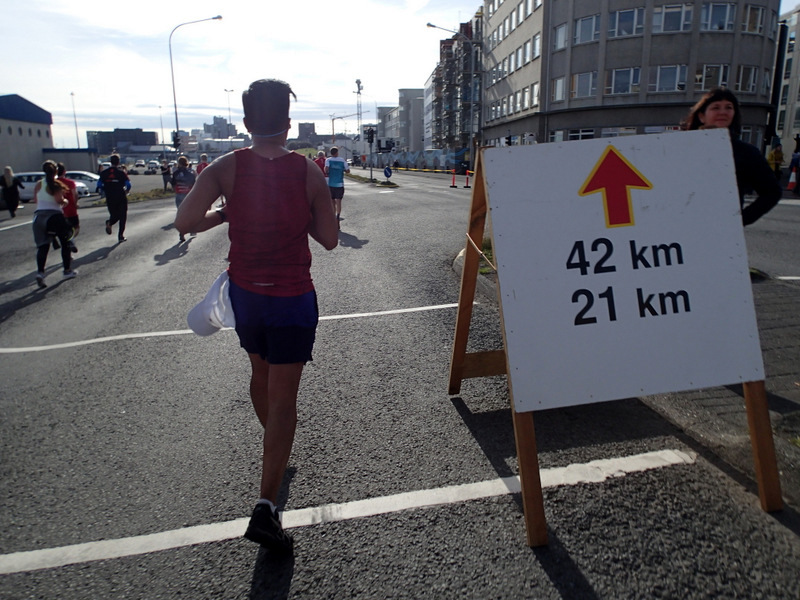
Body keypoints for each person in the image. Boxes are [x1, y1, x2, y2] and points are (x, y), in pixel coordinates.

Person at [175, 78, 338, 555]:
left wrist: (226, 216)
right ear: (288, 124)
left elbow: (185, 223)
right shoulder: (308, 173)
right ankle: (266, 504)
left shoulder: (225, 167)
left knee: (259, 372)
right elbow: (328, 239)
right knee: (284, 397)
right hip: (292, 297)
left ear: (247, 123)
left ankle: (274, 455)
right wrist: (302, 211)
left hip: (247, 294)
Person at [682, 88, 781, 226]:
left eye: (729, 107)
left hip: (721, 233)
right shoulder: (680, 148)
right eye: (715, 107)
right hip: (679, 226)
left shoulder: (746, 152)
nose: (723, 112)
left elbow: (772, 192)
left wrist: (739, 221)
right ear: (701, 116)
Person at [31, 160, 77, 287]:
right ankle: (67, 270)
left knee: (43, 247)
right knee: (66, 241)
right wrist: (65, 201)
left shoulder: (39, 184)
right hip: (54, 216)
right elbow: (59, 200)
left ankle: (40, 273)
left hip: (39, 217)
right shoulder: (56, 185)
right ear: (56, 171)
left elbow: (36, 199)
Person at [99, 154, 132, 242]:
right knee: (122, 216)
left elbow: (99, 185)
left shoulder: (104, 173)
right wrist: (127, 190)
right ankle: (120, 235)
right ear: (118, 162)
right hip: (120, 196)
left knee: (114, 214)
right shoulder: (121, 173)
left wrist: (105, 189)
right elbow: (128, 184)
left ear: (110, 161)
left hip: (110, 197)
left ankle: (109, 222)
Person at [172, 156, 197, 242]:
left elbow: (173, 184)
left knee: (180, 213)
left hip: (179, 194)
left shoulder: (176, 173)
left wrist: (177, 190)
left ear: (179, 163)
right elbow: (194, 185)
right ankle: (192, 229)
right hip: (188, 195)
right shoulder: (190, 173)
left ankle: (181, 233)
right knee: (190, 213)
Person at [324, 146, 349, 227]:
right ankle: (338, 216)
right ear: (337, 153)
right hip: (340, 184)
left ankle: (334, 217)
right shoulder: (342, 160)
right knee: (339, 201)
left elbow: (326, 170)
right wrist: (343, 170)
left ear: (331, 153)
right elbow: (348, 171)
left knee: (332, 202)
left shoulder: (328, 160)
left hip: (331, 184)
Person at [57, 163, 79, 253]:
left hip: (58, 210)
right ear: (64, 172)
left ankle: (68, 254)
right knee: (76, 227)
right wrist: (75, 203)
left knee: (63, 231)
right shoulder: (70, 183)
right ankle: (71, 239)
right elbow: (75, 194)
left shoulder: (54, 183)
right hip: (70, 208)